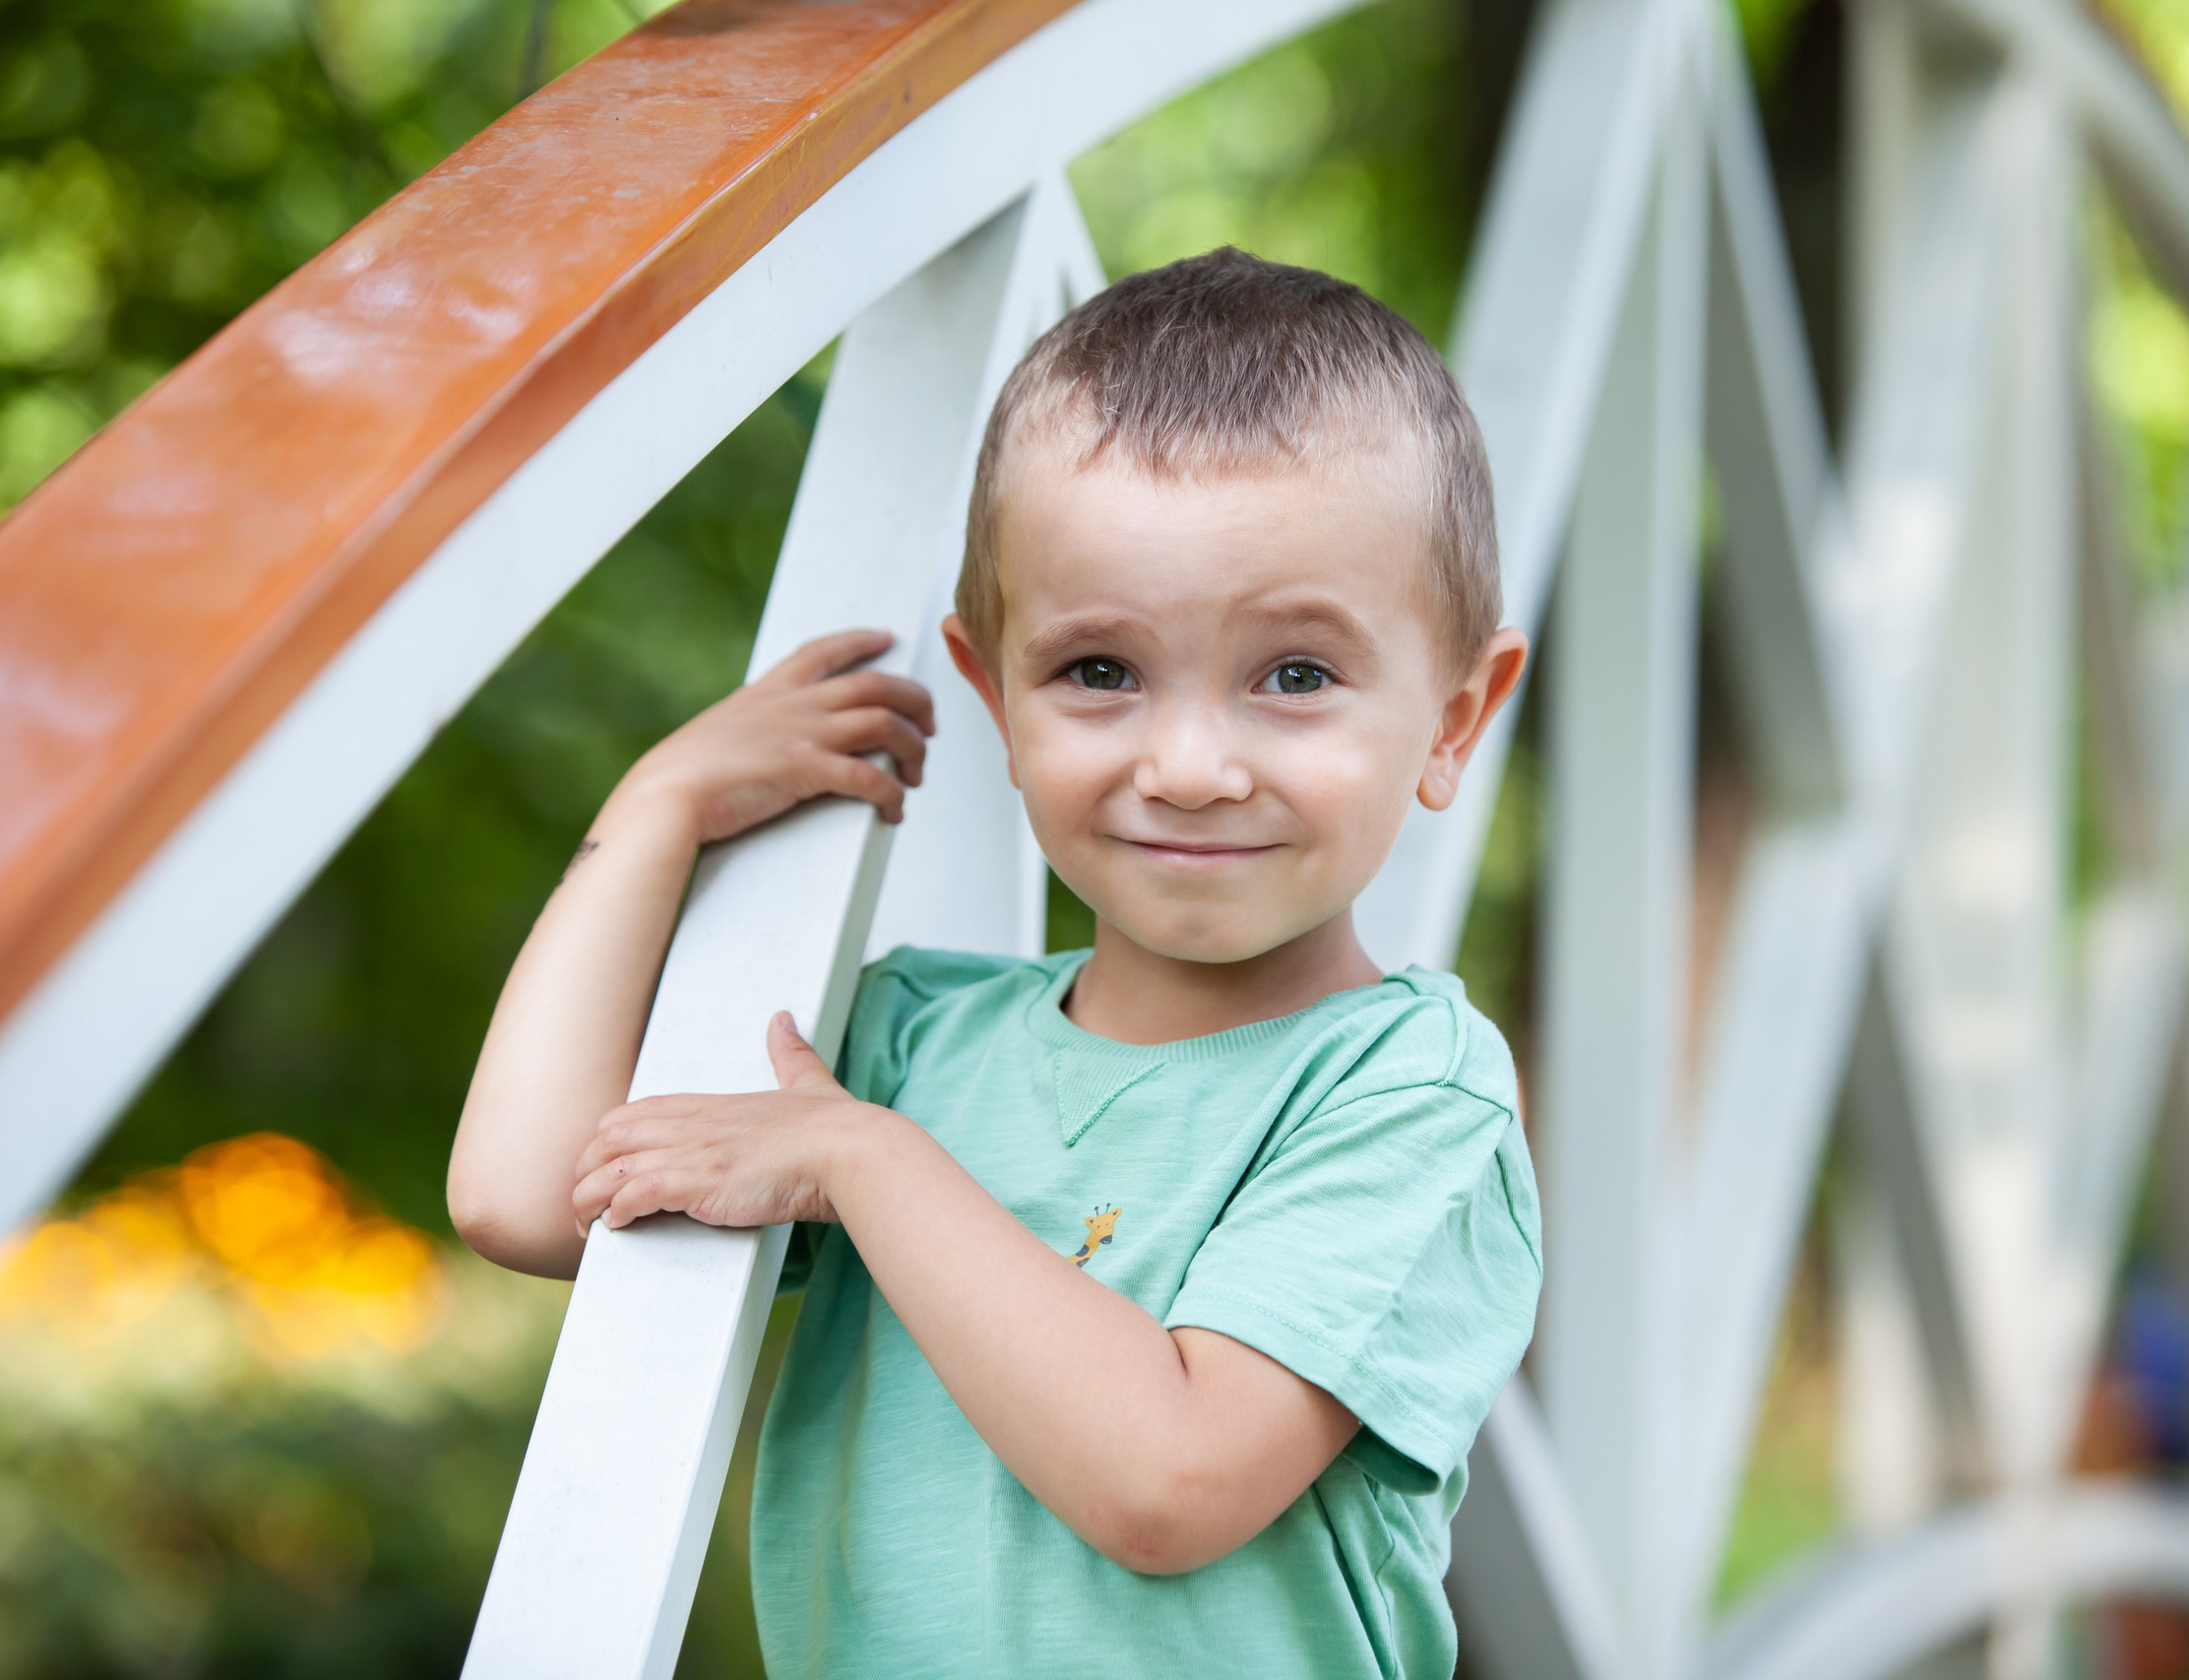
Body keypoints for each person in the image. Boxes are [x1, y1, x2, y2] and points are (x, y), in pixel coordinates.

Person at [448, 247, 1542, 1678]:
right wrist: (653, 814)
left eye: (1295, 675)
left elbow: (1170, 1482)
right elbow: (529, 1192)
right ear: (994, 692)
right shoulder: (911, 1042)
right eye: (1101, 672)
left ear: (1455, 720)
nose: (1190, 766)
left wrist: (861, 1160)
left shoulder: (1412, 1098)